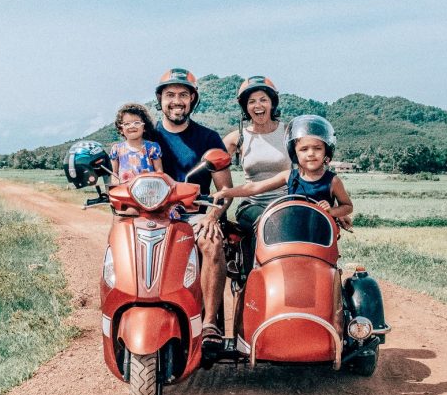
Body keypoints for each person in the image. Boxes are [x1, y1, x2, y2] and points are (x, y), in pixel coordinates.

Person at [149, 68, 233, 350]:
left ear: (193, 99)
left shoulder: (208, 138)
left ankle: (209, 323)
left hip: (196, 214)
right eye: (170, 94)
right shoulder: (147, 137)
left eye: (183, 95)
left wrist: (212, 215)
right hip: (153, 214)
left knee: (212, 243)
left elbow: (224, 191)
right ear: (160, 100)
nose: (177, 101)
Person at [213, 114, 353, 223]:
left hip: (320, 236)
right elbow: (255, 187)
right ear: (294, 153)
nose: (311, 153)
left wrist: (332, 211)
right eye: (304, 149)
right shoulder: (289, 175)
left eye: (317, 148)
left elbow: (347, 206)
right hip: (292, 230)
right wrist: (226, 192)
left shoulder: (333, 181)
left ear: (326, 152)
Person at [222, 76, 290, 276]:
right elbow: (212, 163)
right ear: (245, 107)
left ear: (272, 103)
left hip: (286, 202)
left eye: (263, 99)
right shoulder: (237, 138)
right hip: (252, 204)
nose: (258, 105)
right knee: (265, 221)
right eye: (251, 101)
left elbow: (311, 162)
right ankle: (251, 275)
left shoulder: (289, 132)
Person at [109, 102, 162, 182]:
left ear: (145, 127)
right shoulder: (116, 149)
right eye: (127, 124)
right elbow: (114, 174)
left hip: (150, 190)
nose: (132, 126)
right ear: (121, 129)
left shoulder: (152, 148)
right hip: (125, 192)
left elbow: (160, 173)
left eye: (137, 123)